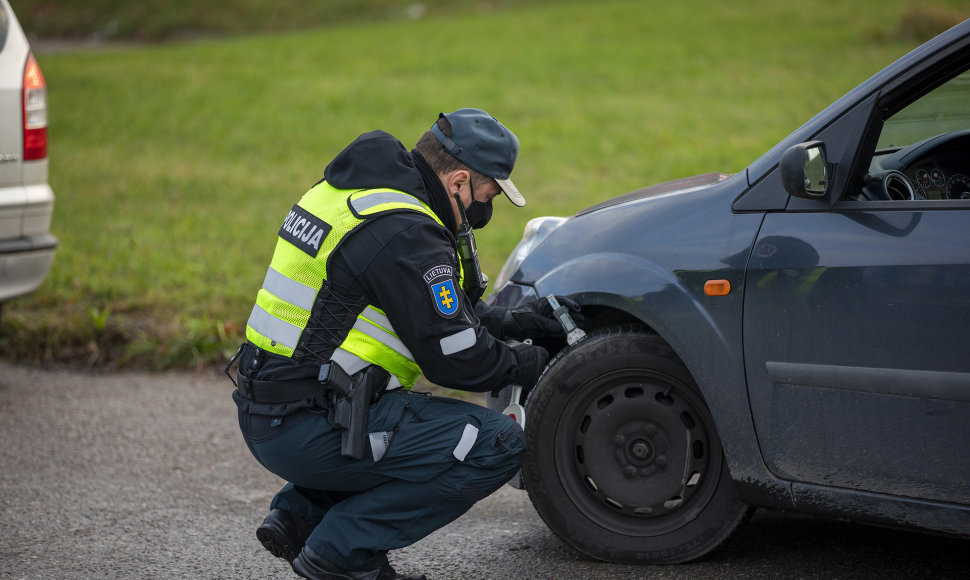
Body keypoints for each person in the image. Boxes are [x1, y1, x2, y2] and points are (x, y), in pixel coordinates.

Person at [228, 108, 581, 580]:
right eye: (488, 195)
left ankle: (300, 512)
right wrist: (528, 363)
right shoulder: (408, 232)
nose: (485, 212)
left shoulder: (357, 195)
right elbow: (457, 360)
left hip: (276, 408)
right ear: (457, 181)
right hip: (309, 428)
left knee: (405, 424)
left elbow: (431, 311)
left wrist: (517, 322)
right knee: (491, 444)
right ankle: (340, 554)